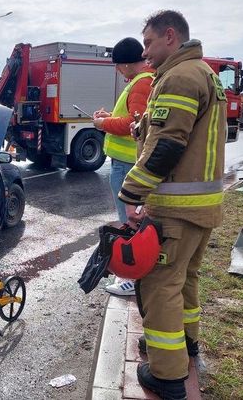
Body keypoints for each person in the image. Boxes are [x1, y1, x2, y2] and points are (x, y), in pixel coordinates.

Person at [118, 10, 226, 400]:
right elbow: (179, 133)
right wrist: (143, 127)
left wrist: (131, 193)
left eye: (147, 43)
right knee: (186, 279)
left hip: (177, 208)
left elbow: (169, 145)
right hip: (202, 207)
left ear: (169, 36)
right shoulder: (204, 73)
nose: (145, 52)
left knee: (160, 284)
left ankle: (166, 373)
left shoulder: (179, 76)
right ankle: (185, 343)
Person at [93, 37, 153, 297]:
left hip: (126, 164)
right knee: (133, 219)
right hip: (129, 162)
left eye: (118, 65)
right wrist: (110, 118)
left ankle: (130, 277)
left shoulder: (141, 84)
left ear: (127, 64)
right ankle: (135, 273)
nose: (118, 70)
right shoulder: (143, 81)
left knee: (127, 221)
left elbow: (134, 125)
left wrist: (103, 124)